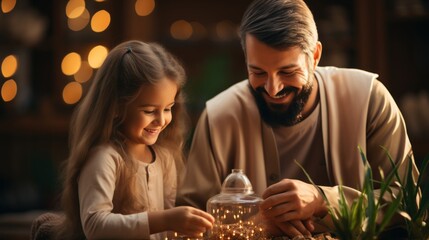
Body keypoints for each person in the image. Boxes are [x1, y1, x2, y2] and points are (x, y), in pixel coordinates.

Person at [176, 0, 418, 238]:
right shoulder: (219, 116)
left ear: (315, 56)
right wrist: (255, 226)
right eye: (258, 72)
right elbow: (185, 223)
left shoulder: (369, 98)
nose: (272, 88)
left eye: (287, 72)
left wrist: (323, 200)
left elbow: (409, 202)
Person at [33, 40, 214, 240]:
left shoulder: (164, 158)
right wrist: (165, 219)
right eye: (149, 111)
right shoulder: (105, 158)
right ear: (117, 106)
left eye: (168, 108)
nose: (162, 120)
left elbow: (165, 231)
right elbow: (95, 225)